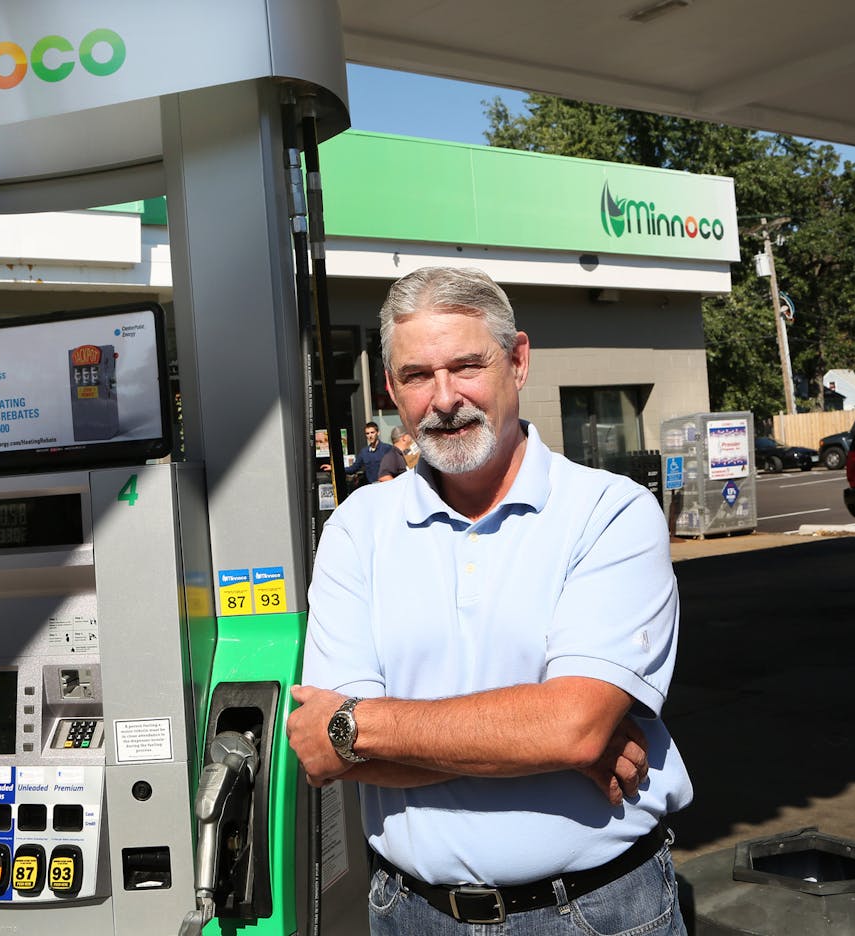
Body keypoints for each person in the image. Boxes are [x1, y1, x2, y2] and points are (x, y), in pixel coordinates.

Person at [287, 266, 691, 935]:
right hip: (411, 914)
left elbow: (573, 726)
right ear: (391, 388)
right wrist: (543, 740)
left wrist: (357, 725)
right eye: (417, 375)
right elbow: (325, 754)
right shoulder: (358, 527)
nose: (444, 398)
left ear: (518, 361)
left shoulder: (609, 511)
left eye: (467, 366)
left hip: (595, 913)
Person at [343, 421, 390, 486]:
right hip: (371, 487)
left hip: (386, 485)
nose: (370, 436)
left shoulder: (387, 448)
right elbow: (354, 468)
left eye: (372, 432)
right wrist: (335, 468)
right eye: (367, 433)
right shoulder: (364, 452)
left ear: (378, 433)